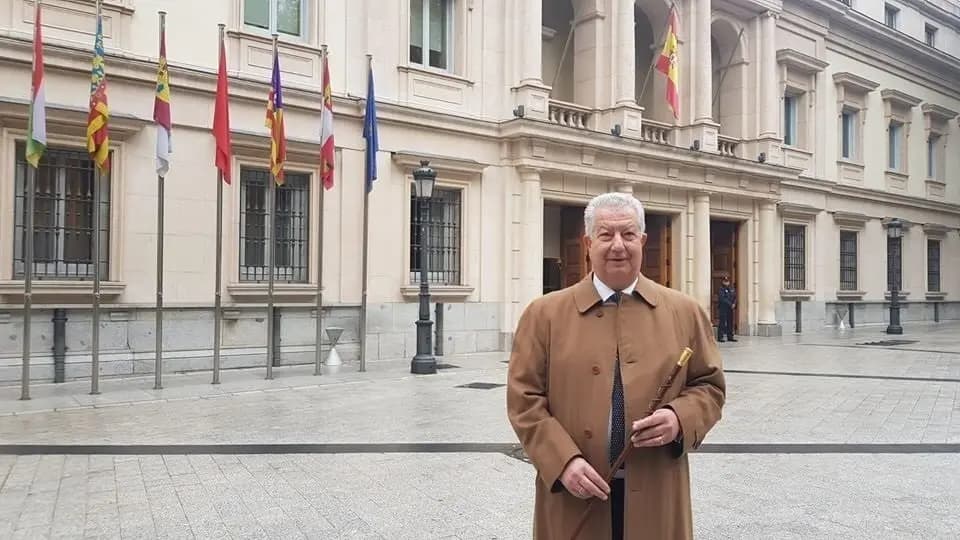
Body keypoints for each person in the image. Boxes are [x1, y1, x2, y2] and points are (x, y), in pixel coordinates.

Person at [506, 192, 726, 540]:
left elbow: (709, 386)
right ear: (588, 243)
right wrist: (563, 461)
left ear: (643, 241)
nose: (618, 245)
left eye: (628, 234)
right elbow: (524, 400)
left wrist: (679, 418)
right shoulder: (543, 315)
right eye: (606, 235)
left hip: (657, 490)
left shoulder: (685, 313)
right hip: (575, 496)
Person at [717, 275, 737, 342]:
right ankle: (720, 337)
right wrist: (731, 304)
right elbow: (722, 299)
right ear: (723, 282)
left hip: (730, 309)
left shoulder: (731, 288)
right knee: (722, 322)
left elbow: (734, 297)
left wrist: (734, 303)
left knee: (730, 322)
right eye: (725, 281)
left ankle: (730, 337)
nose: (726, 282)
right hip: (723, 308)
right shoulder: (721, 289)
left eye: (727, 281)